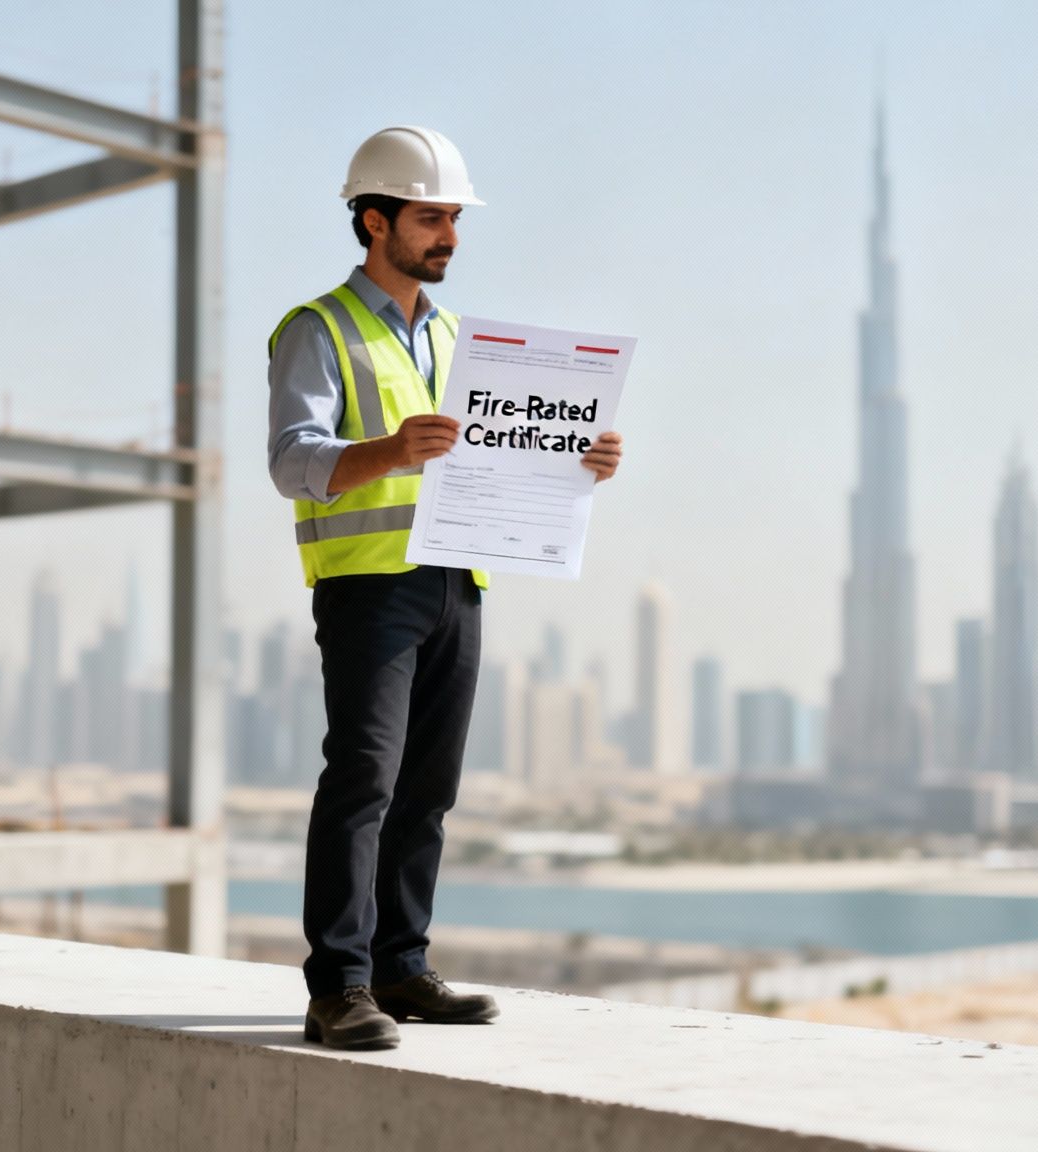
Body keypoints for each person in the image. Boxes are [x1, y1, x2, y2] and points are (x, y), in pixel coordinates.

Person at [266, 126, 625, 1050]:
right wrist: (389, 450)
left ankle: (401, 967)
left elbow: (502, 455)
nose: (450, 237)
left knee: (428, 789)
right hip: (369, 586)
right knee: (363, 783)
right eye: (432, 218)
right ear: (374, 219)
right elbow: (291, 461)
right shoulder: (318, 330)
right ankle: (337, 986)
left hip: (457, 581)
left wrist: (578, 460)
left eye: (454, 218)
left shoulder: (465, 340)